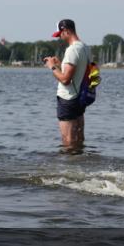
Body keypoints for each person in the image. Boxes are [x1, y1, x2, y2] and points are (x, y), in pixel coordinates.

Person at [43, 19, 92, 149]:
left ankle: (69, 168)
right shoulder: (85, 48)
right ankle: (80, 164)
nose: (60, 37)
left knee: (68, 139)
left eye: (60, 34)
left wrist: (52, 67)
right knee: (79, 137)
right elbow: (80, 72)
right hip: (80, 98)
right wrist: (60, 65)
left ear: (66, 31)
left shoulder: (72, 50)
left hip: (68, 99)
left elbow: (65, 80)